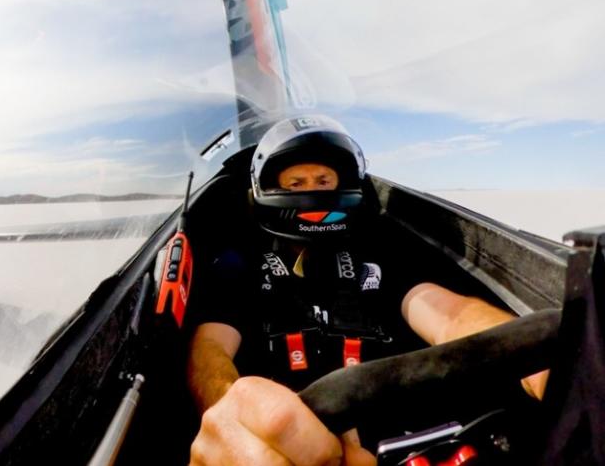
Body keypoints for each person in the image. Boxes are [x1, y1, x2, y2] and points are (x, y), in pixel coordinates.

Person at [185, 114, 546, 466]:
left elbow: (448, 315)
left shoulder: (380, 251)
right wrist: (231, 413)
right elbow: (210, 348)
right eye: (297, 183)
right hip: (282, 441)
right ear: (267, 191)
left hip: (391, 439)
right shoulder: (242, 261)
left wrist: (536, 360)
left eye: (323, 180)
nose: (313, 192)